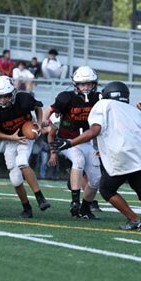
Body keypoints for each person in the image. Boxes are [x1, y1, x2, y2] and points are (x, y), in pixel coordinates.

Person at [50, 81, 141, 234]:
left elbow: (94, 131)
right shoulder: (134, 111)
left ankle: (135, 220)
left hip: (120, 155)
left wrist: (69, 143)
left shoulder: (103, 105)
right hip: (139, 156)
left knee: (107, 190)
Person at [0, 76, 50, 218]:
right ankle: (26, 208)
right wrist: (11, 138)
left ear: (12, 93)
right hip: (10, 140)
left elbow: (38, 107)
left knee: (22, 162)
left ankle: (40, 198)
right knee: (15, 179)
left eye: (5, 96)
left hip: (25, 136)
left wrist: (38, 122)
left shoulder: (23, 99)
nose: (2, 100)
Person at [43, 66, 101, 219]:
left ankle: (85, 207)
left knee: (96, 179)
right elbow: (49, 110)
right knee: (78, 160)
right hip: (67, 141)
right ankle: (74, 201)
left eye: (89, 84)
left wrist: (136, 109)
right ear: (76, 85)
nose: (86, 87)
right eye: (83, 84)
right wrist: (42, 121)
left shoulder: (100, 98)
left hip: (88, 142)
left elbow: (114, 111)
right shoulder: (66, 97)